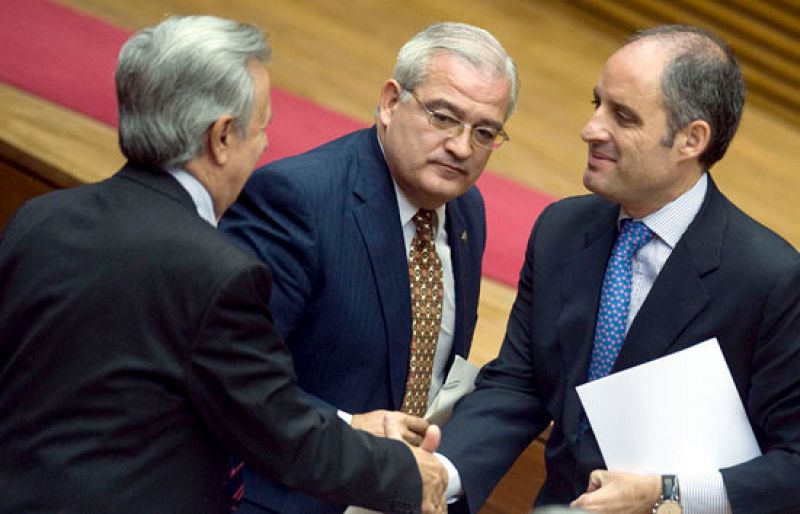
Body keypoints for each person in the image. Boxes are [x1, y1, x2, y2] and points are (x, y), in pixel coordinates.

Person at [0, 15, 448, 514]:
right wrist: (404, 473)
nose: (264, 146)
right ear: (221, 138)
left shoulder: (41, 218)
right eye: (261, 129)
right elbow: (280, 432)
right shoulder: (218, 273)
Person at [438, 24, 800, 514]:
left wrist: (666, 492)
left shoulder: (771, 280)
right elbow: (519, 384)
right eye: (597, 104)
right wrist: (441, 475)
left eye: (623, 116)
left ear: (691, 139)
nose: (591, 129)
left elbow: (794, 463)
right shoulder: (561, 230)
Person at [220, 21, 517, 514]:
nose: (462, 147)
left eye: (484, 132)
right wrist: (350, 428)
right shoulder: (296, 202)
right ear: (389, 102)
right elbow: (229, 373)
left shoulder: (466, 211)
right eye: (444, 117)